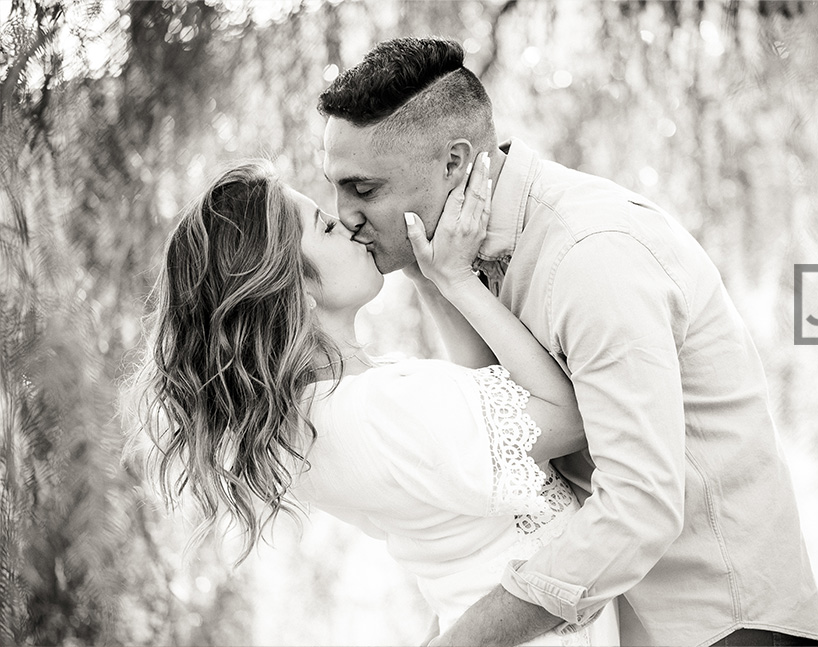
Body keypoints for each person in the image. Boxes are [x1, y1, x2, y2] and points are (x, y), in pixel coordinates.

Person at [316, 37, 818, 646]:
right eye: (335, 188)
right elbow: (519, 452)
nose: (343, 214)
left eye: (364, 190)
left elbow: (639, 504)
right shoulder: (452, 261)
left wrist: (462, 642)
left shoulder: (591, 255)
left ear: (455, 164)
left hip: (720, 625)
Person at [129, 158, 621, 646]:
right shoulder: (378, 409)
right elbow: (567, 419)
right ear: (295, 287)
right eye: (323, 226)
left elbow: (487, 401)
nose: (346, 224)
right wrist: (457, 279)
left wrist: (425, 275)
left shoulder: (305, 425)